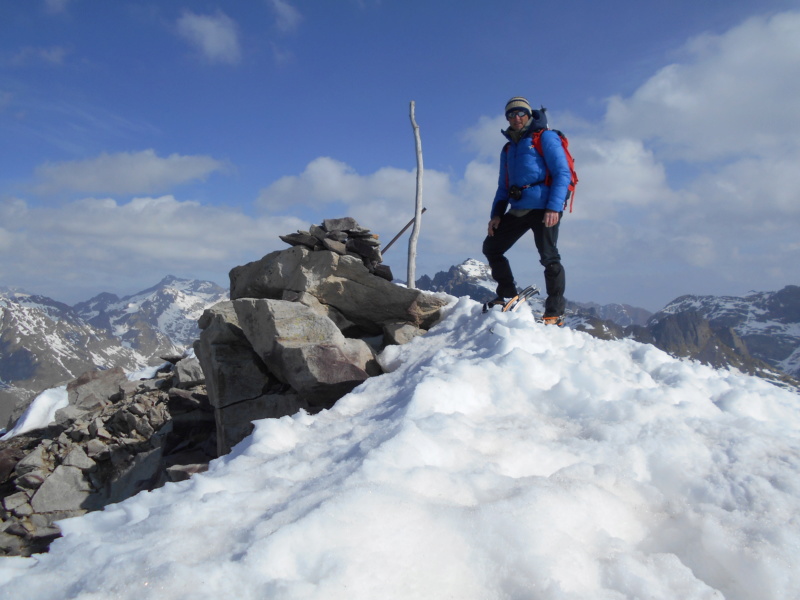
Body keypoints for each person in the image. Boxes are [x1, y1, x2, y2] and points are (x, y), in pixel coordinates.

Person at [482, 96, 572, 325]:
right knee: (492, 247)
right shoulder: (508, 148)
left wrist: (554, 207)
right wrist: (496, 215)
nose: (516, 118)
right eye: (511, 115)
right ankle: (507, 295)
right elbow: (503, 186)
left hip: (545, 208)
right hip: (519, 207)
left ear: (529, 114)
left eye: (520, 113)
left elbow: (563, 173)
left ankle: (554, 311)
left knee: (549, 257)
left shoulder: (546, 137)